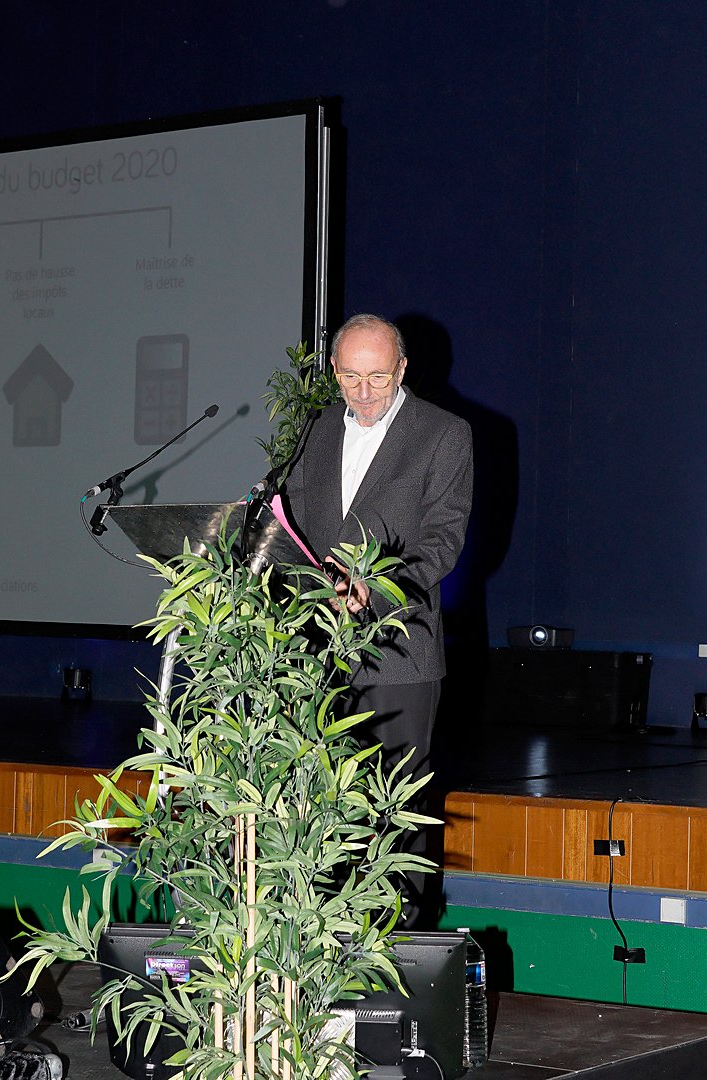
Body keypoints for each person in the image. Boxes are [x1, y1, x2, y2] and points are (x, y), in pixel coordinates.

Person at [280, 312, 473, 923]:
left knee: (395, 818)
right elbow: (291, 524)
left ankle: (400, 957)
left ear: (403, 369)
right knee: (321, 809)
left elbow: (443, 540)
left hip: (399, 650)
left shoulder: (443, 434)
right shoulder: (315, 432)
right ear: (334, 372)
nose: (363, 393)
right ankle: (323, 949)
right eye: (350, 378)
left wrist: (377, 589)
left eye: (378, 378)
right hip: (316, 651)